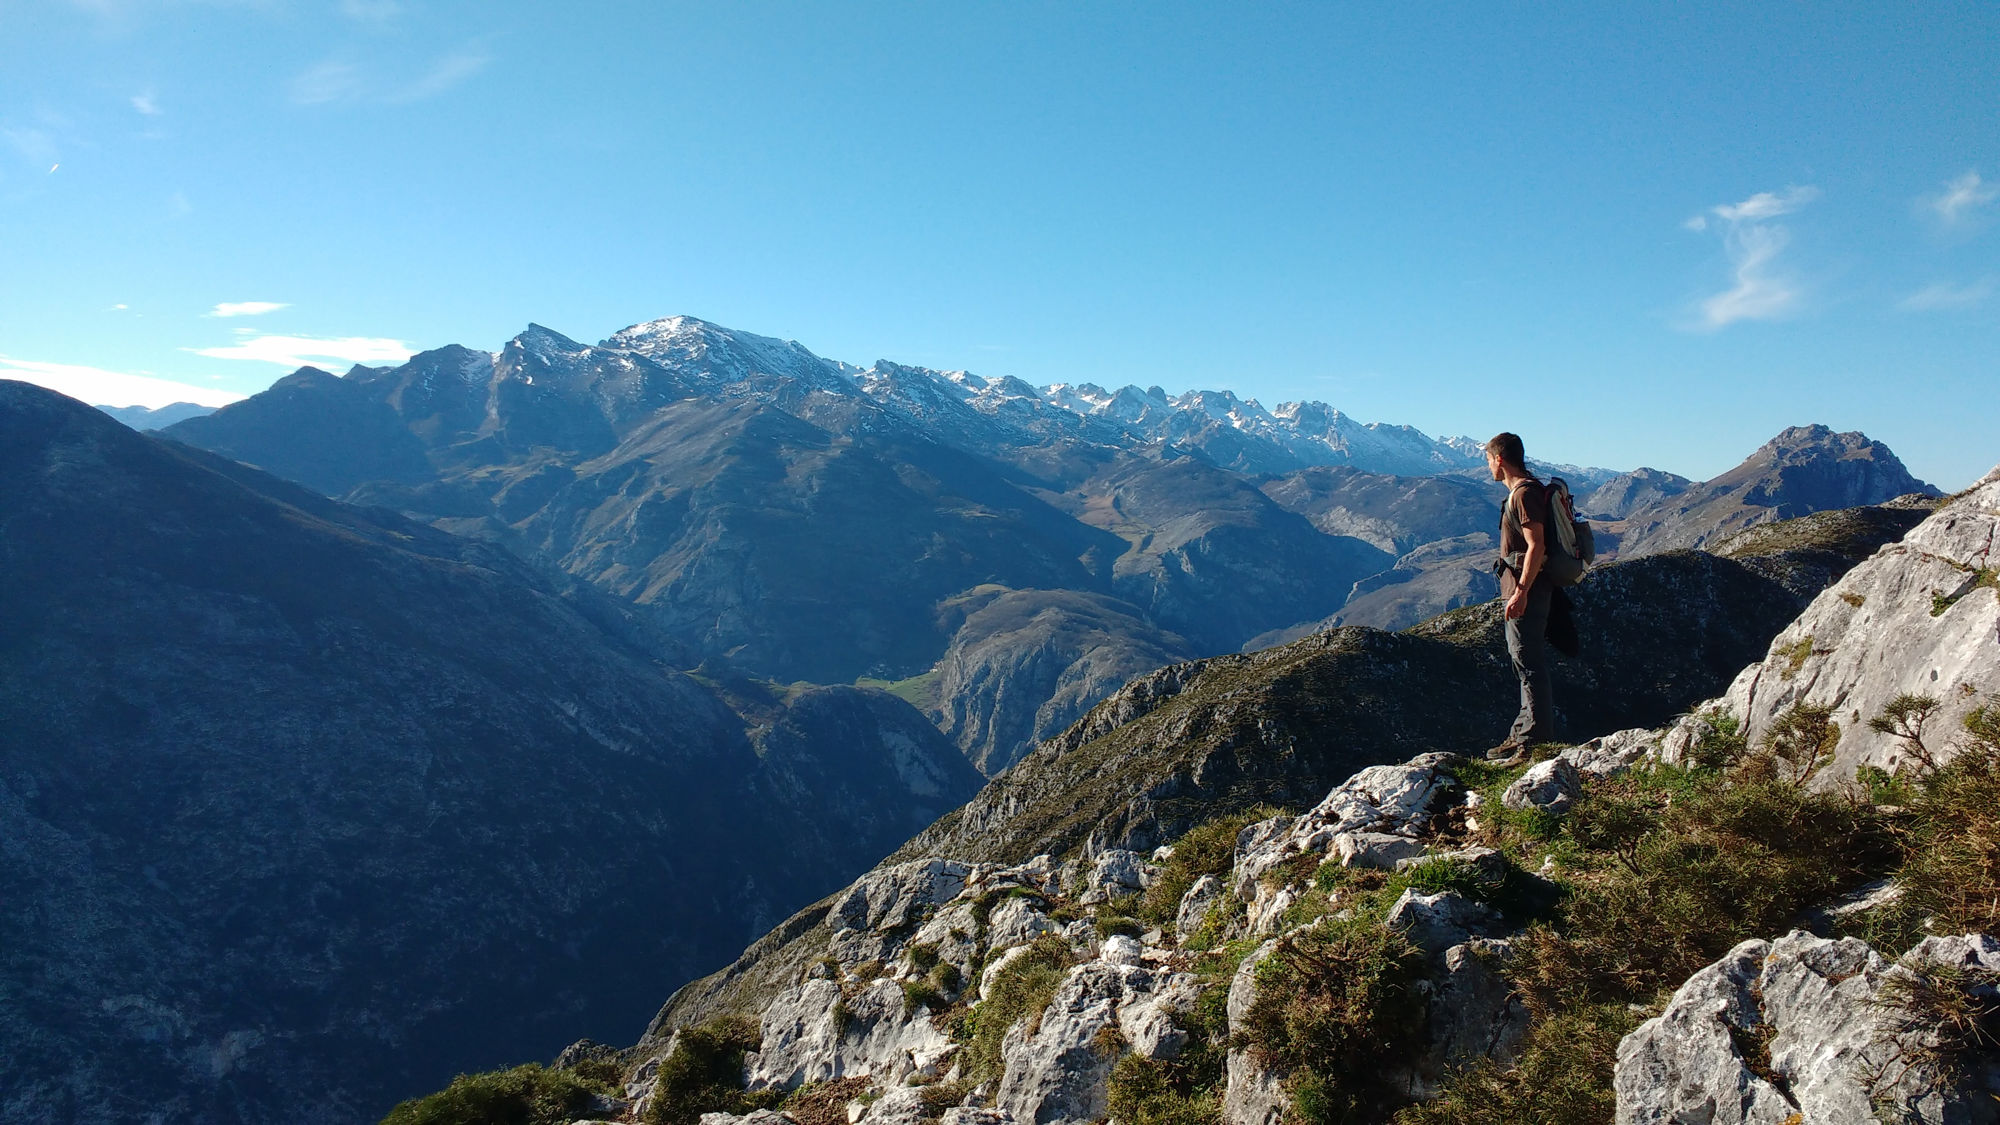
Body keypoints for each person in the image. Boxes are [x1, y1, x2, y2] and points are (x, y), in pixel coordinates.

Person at [1485, 432, 1555, 758]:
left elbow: (1536, 544)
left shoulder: (1523, 495)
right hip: (1523, 589)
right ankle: (1522, 733)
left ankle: (1532, 741)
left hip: (1526, 590)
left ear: (1500, 459)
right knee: (1523, 660)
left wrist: (1522, 591)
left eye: (1489, 460)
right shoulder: (1526, 491)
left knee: (1528, 662)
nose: (1489, 468)